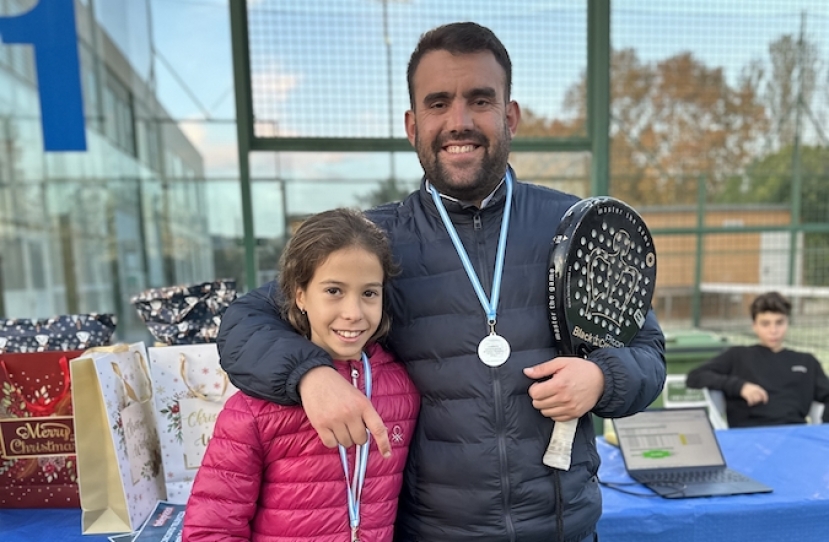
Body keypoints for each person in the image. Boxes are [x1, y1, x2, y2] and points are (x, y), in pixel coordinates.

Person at [218, 22, 666, 542]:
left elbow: (648, 351)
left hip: (563, 529)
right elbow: (243, 321)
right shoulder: (371, 241)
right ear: (412, 125)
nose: (459, 121)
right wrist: (311, 376)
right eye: (438, 103)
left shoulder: (574, 224)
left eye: (480, 100)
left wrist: (602, 380)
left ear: (510, 116)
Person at [183, 208, 420, 542]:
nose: (353, 313)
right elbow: (212, 528)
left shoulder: (404, 388)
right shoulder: (252, 408)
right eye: (334, 291)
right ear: (300, 295)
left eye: (369, 293)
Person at [687, 291, 829, 427]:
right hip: (749, 435)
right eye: (765, 324)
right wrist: (739, 386)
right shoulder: (737, 356)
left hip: (795, 435)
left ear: (787, 323)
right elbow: (695, 376)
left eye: (779, 322)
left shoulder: (807, 362)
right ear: (754, 326)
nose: (773, 330)